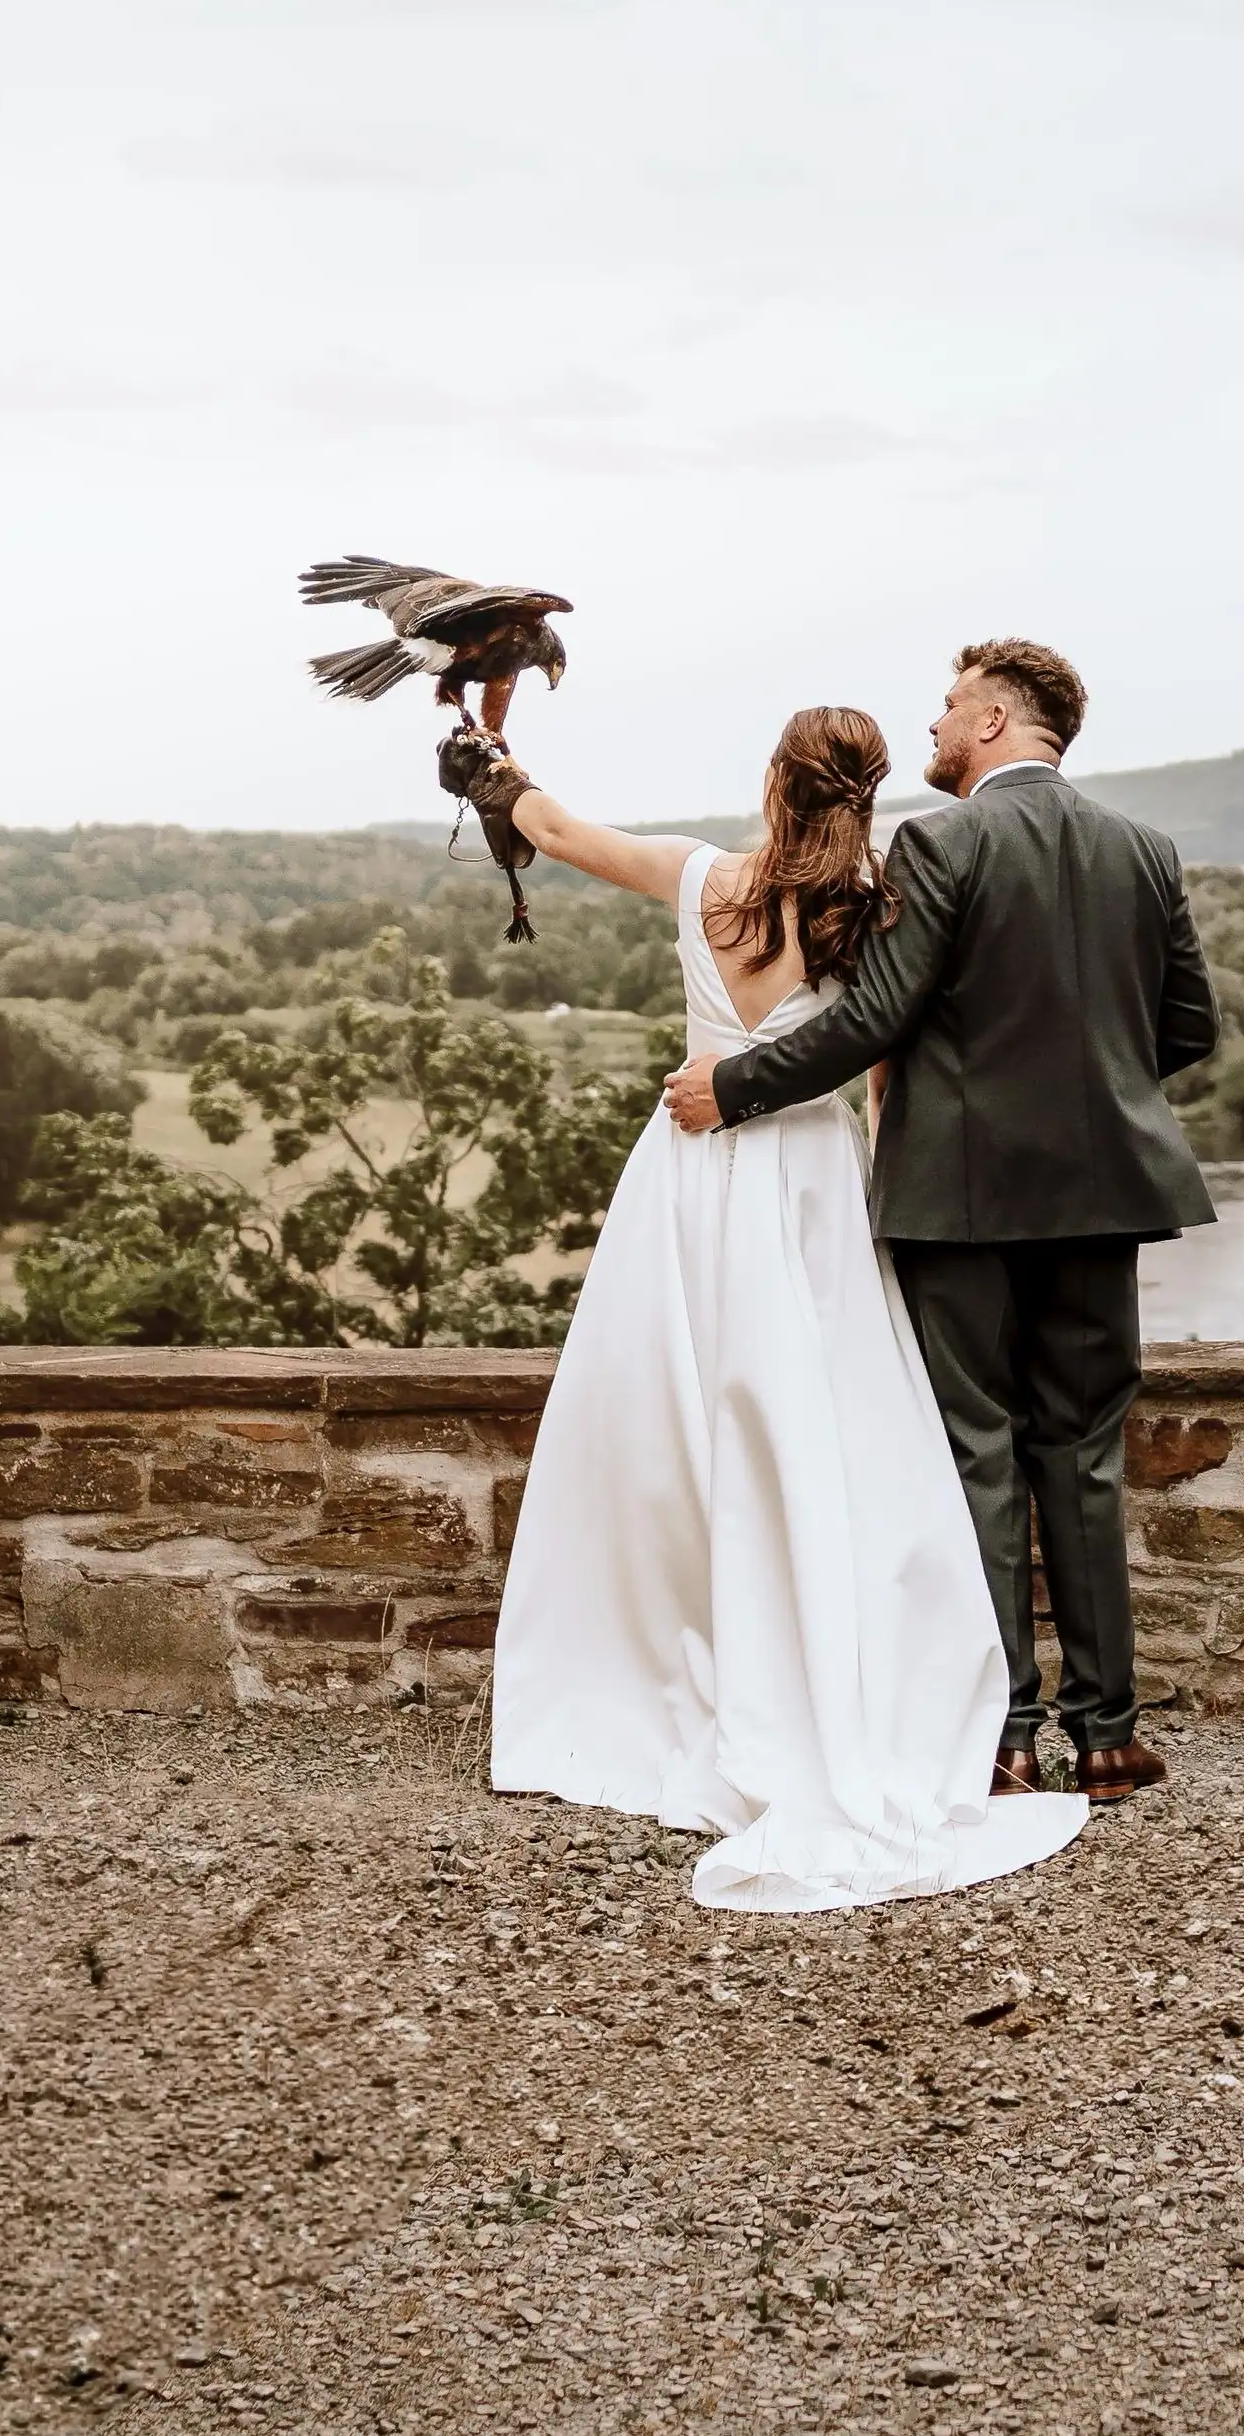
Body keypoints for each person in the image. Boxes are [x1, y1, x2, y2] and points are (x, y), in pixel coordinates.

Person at [462, 705, 1091, 1911]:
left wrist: (491, 759)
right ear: (865, 796)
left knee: (677, 1418)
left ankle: (662, 1655)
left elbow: (552, 826)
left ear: (771, 781)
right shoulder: (876, 908)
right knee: (828, 1418)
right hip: (806, 1176)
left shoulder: (703, 878)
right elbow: (888, 1057)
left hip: (688, 1173)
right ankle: (824, 1646)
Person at [671, 638, 1217, 1805]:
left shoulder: (944, 840)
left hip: (961, 1201)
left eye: (951, 706)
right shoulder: (1144, 847)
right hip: (1103, 1196)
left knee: (976, 1452)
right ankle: (1110, 1735)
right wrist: (1095, 1082)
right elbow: (1185, 1029)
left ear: (996, 723)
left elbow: (874, 1012)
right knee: (1082, 1455)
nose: (934, 723)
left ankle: (1006, 1733)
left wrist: (738, 1085)